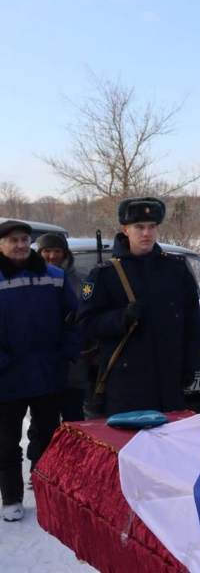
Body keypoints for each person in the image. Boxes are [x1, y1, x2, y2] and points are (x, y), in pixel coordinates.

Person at [77, 198, 200, 416]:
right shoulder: (105, 274)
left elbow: (192, 322)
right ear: (125, 230)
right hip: (127, 383)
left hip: (169, 379)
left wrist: (190, 364)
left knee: (171, 435)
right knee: (131, 437)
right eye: (139, 227)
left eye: (152, 227)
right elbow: (85, 323)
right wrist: (121, 317)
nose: (146, 233)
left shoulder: (175, 270)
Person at [0, 220, 80, 522]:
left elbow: (73, 318)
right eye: (13, 240)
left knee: (47, 437)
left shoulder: (54, 276)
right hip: (7, 377)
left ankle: (46, 490)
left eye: (24, 239)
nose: (21, 245)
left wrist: (65, 355)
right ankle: (11, 498)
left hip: (48, 373)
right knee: (7, 443)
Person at [36, 233, 88, 422]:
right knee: (43, 422)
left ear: (65, 254)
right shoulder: (30, 281)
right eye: (47, 251)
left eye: (57, 251)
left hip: (75, 363)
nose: (52, 256)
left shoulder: (84, 282)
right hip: (41, 367)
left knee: (74, 418)